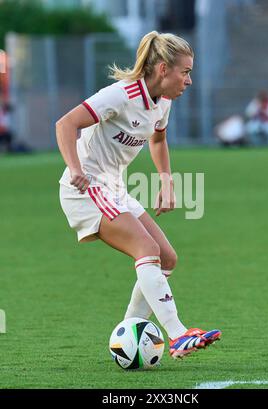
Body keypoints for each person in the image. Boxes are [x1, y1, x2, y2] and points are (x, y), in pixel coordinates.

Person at [56, 31, 221, 359]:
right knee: (145, 249)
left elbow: (158, 141)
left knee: (167, 257)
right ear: (163, 69)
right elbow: (65, 123)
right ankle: (178, 335)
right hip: (86, 189)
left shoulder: (164, 103)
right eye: (185, 72)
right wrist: (74, 169)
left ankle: (128, 334)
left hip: (114, 188)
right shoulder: (120, 95)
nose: (189, 80)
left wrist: (166, 180)